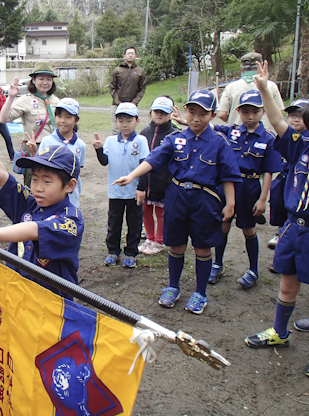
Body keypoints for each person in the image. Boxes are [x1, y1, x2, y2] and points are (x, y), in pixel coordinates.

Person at [113, 90, 241, 314]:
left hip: (206, 199)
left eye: (203, 114)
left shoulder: (219, 143)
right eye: (192, 112)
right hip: (177, 197)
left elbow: (228, 174)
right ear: (185, 113)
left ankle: (200, 292)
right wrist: (132, 176)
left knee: (202, 247)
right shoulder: (175, 138)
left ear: (212, 115)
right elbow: (153, 159)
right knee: (176, 245)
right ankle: (173, 287)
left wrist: (230, 203)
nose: (196, 118)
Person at [0, 103, 83, 299]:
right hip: (17, 299)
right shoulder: (31, 203)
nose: (38, 187)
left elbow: (34, 229)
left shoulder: (71, 221)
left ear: (70, 185)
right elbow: (1, 176)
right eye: (35, 179)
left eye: (47, 181)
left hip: (51, 308)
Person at [244, 62, 309, 378]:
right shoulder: (301, 146)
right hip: (294, 228)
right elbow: (277, 120)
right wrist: (264, 89)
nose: (299, 122)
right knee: (287, 285)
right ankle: (280, 333)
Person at [204, 90, 282, 288]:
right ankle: (217, 264)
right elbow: (209, 125)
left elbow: (268, 172)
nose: (250, 116)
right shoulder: (232, 131)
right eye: (245, 111)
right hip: (227, 186)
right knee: (223, 225)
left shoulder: (268, 139)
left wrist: (263, 199)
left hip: (249, 189)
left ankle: (253, 269)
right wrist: (185, 120)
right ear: (238, 111)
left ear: (263, 112)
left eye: (255, 112)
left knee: (248, 229)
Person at [92, 102, 149, 268]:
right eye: (121, 120)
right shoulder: (110, 140)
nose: (125, 124)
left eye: (129, 120)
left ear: (137, 121)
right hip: (115, 192)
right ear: (116, 121)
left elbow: (145, 166)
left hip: (134, 192)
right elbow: (104, 162)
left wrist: (141, 188)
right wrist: (99, 149)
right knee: (114, 223)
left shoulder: (141, 141)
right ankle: (113, 251)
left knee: (135, 223)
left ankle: (131, 253)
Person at [0, 61, 59, 188]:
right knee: (33, 184)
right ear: (33, 79)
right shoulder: (25, 100)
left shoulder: (56, 101)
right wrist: (10, 97)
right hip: (34, 147)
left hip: (53, 147)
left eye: (49, 79)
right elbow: (3, 119)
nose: (45, 82)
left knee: (52, 182)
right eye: (41, 78)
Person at [137, 96, 179, 256]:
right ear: (151, 112)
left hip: (165, 183)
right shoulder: (145, 133)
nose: (159, 115)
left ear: (170, 113)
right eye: (156, 111)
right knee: (145, 209)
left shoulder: (175, 134)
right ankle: (150, 238)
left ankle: (160, 241)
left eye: (164, 112)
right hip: (147, 182)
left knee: (161, 213)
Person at [26, 97, 86, 208]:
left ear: (76, 120)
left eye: (68, 117)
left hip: (71, 196)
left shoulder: (80, 145)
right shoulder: (47, 141)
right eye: (59, 116)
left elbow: (78, 170)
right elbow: (39, 165)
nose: (63, 121)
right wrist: (34, 151)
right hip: (51, 194)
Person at [267, 99, 309, 250]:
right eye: (292, 115)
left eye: (300, 115)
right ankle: (281, 232)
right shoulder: (293, 138)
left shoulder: (304, 141)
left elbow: (276, 121)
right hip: (285, 177)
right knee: (278, 205)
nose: (296, 119)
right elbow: (277, 121)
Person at [216, 51, 285, 131]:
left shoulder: (230, 87)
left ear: (242, 67)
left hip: (237, 135)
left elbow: (221, 114)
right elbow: (279, 114)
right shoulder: (270, 86)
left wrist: (234, 120)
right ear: (261, 66)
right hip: (264, 136)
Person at [110, 47, 147, 135]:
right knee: (116, 129)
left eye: (132, 53)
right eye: (128, 53)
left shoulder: (140, 71)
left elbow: (142, 89)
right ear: (124, 56)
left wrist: (134, 103)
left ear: (135, 56)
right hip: (117, 105)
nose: (130, 55)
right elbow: (112, 87)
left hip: (132, 105)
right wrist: (118, 102)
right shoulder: (117, 70)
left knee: (129, 129)